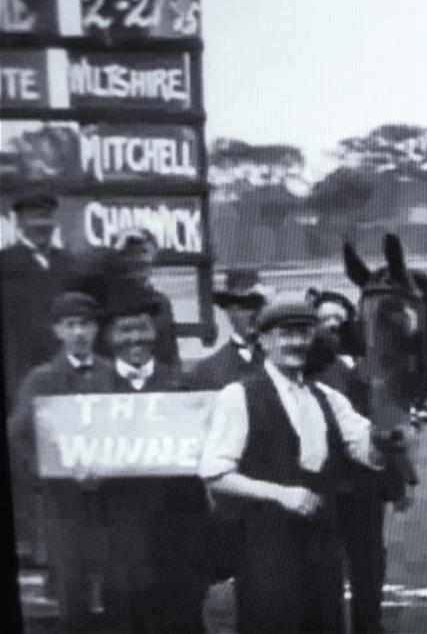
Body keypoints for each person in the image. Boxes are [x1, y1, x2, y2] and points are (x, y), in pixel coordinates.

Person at [199, 295, 412, 633]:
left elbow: (365, 451)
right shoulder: (238, 397)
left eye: (304, 333)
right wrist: (280, 494)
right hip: (266, 547)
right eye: (286, 333)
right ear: (264, 340)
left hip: (322, 546)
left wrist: (387, 440)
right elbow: (216, 474)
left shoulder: (329, 398)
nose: (296, 342)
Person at [96, 284, 213, 632]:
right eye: (125, 330)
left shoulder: (184, 387)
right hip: (119, 540)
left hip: (177, 538)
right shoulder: (90, 395)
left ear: (156, 331)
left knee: (184, 620)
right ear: (110, 336)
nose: (135, 338)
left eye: (142, 328)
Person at [306, 287, 417, 634]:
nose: (333, 326)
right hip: (327, 484)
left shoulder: (374, 367)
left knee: (369, 561)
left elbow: (390, 420)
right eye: (324, 319)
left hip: (368, 482)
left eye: (339, 318)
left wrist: (405, 478)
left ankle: (369, 625)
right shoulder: (307, 372)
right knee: (326, 565)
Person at [7, 292, 116, 631]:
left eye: (85, 324)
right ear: (58, 331)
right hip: (62, 502)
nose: (79, 332)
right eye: (70, 325)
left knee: (114, 578)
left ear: (97, 329)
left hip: (110, 497)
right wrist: (50, 470)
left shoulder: (113, 374)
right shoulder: (41, 379)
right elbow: (19, 433)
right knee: (71, 585)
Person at [1, 189, 75, 412]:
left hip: (63, 369)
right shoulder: (5, 263)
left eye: (47, 217)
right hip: (17, 373)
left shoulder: (68, 263)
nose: (42, 225)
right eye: (35, 218)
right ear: (20, 222)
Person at [105, 227, 180, 366]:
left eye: (144, 252)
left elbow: (170, 355)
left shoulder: (162, 303)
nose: (138, 260)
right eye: (131, 253)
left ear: (153, 258)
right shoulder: (105, 301)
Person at [190, 268, 269, 391]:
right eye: (247, 305)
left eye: (259, 304)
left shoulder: (285, 361)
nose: (255, 313)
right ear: (229, 311)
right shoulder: (208, 370)